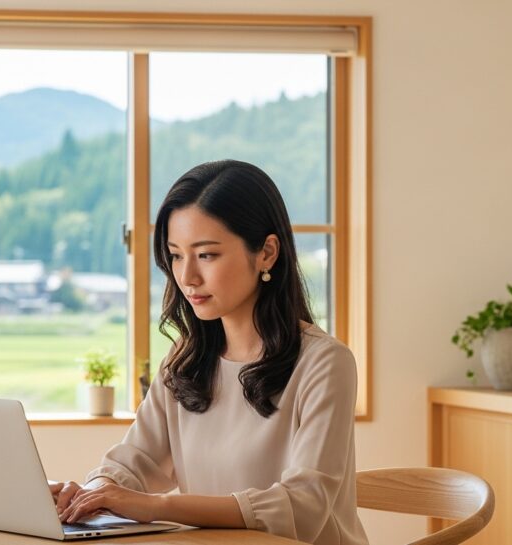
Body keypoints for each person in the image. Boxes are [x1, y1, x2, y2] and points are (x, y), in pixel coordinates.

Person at [50, 160, 368, 545]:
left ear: (267, 253)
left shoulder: (324, 363)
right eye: (176, 255)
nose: (186, 277)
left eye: (206, 255)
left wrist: (154, 506)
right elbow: (136, 461)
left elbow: (303, 506)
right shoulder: (185, 360)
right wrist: (93, 492)